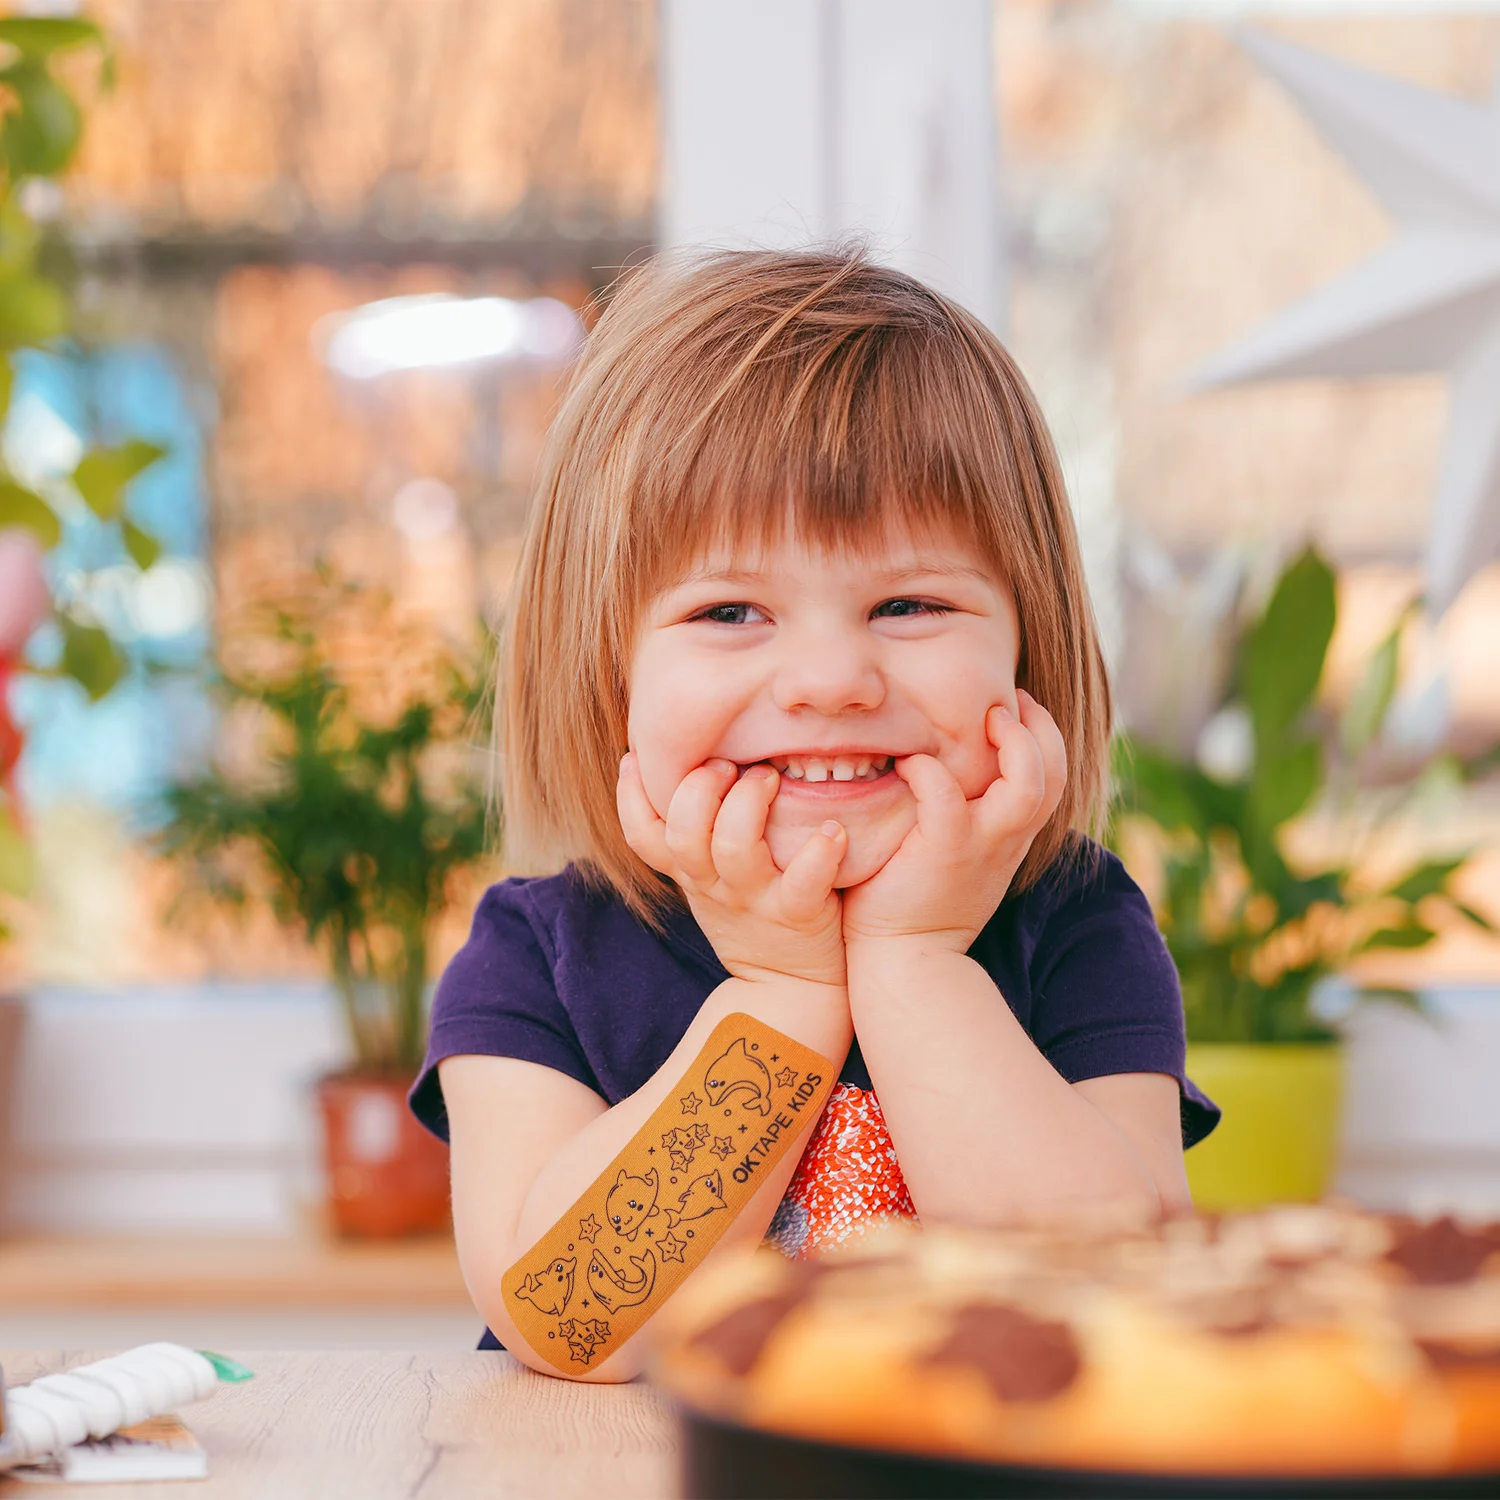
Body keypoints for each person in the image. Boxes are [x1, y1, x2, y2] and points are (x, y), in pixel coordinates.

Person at [408, 248, 1218, 1382]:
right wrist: (783, 994)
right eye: (731, 609)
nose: (831, 678)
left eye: (910, 603)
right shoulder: (537, 955)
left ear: (1028, 648)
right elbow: (577, 1325)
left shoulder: (1076, 924)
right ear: (608, 675)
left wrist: (915, 964)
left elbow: (1114, 1313)